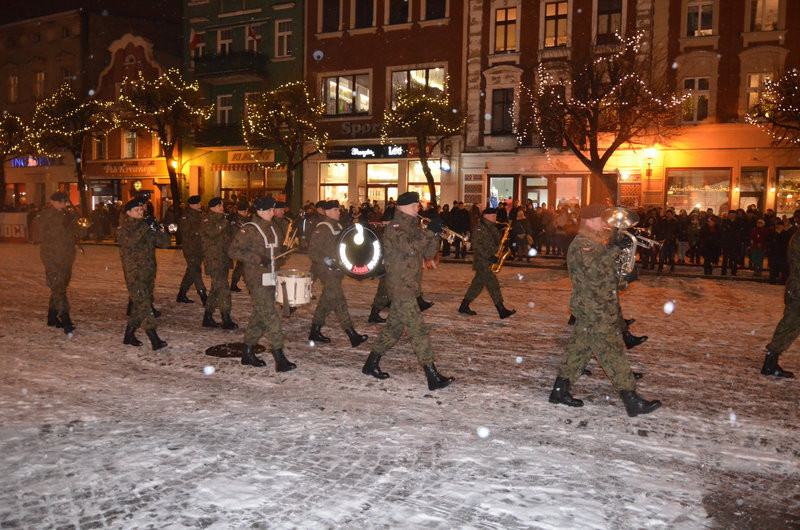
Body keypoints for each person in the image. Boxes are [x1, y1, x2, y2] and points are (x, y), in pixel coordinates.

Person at [548, 204, 661, 417]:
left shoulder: (594, 241)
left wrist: (625, 274)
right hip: (594, 308)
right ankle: (631, 400)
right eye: (601, 219)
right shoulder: (583, 244)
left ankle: (559, 391)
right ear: (590, 220)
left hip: (597, 305)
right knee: (612, 352)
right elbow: (595, 272)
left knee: (579, 349)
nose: (605, 223)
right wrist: (614, 248)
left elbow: (606, 273)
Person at [361, 191, 454, 390]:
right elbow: (410, 248)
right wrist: (428, 231)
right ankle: (432, 376)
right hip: (399, 284)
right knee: (417, 329)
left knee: (393, 328)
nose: (418, 208)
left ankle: (371, 364)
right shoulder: (395, 227)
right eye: (415, 205)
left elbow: (427, 253)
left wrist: (436, 235)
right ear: (403, 206)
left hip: (410, 283)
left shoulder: (413, 225)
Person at [227, 196, 296, 372]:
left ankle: (247, 353)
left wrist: (285, 252)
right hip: (256, 279)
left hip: (271, 277)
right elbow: (233, 251)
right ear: (261, 211)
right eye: (271, 210)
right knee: (271, 317)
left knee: (260, 316)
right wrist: (258, 259)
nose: (274, 212)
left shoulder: (273, 227)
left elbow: (276, 252)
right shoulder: (249, 229)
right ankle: (279, 357)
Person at [308, 200, 369, 347]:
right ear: (327, 211)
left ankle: (314, 332)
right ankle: (352, 334)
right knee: (339, 301)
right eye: (335, 210)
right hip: (326, 271)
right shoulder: (323, 227)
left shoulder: (339, 225)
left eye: (338, 209)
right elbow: (312, 251)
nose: (338, 212)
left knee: (326, 302)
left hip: (337, 271)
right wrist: (325, 260)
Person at [118, 198, 171, 350]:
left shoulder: (146, 226)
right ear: (128, 212)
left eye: (141, 210)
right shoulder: (123, 228)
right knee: (144, 306)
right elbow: (131, 242)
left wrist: (159, 229)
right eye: (137, 210)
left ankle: (129, 335)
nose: (140, 212)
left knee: (140, 305)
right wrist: (146, 227)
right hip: (134, 273)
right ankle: (154, 338)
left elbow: (165, 244)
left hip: (148, 272)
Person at [38, 191, 87, 335]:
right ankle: (65, 318)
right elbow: (47, 233)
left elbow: (79, 234)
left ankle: (52, 317)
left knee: (60, 286)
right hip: (52, 256)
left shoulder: (68, 214)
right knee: (58, 287)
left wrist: (82, 226)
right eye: (62, 202)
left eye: (66, 202)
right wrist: (64, 223)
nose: (65, 205)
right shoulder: (46, 215)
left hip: (66, 256)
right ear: (53, 202)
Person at [458, 207, 516, 319]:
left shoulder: (492, 227)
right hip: (483, 262)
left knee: (477, 285)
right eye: (494, 215)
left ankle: (464, 306)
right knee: (493, 285)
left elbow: (497, 242)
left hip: (490, 260)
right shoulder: (480, 228)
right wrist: (489, 257)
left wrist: (502, 248)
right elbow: (476, 246)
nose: (496, 217)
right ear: (486, 216)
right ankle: (501, 310)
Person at [761, 223, 800, 378]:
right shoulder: (798, 239)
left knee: (791, 325)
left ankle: (771, 361)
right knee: (790, 324)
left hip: (796, 287)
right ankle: (770, 362)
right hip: (798, 289)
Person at [200, 197, 238, 330]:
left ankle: (207, 317)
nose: (222, 207)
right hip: (214, 260)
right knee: (223, 289)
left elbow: (231, 238)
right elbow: (212, 232)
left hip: (224, 259)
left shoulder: (224, 220)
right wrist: (224, 223)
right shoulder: (206, 220)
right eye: (219, 205)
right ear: (213, 207)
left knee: (216, 290)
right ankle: (226, 318)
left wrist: (233, 224)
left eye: (222, 205)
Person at [176, 195, 207, 304]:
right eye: (197, 203)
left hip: (200, 248)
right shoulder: (186, 216)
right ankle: (203, 295)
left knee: (191, 272)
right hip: (191, 249)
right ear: (191, 205)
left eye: (199, 203)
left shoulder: (201, 214)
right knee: (196, 271)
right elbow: (186, 232)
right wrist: (200, 231)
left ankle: (181, 294)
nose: (200, 205)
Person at [229, 199, 251, 292]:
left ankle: (234, 284)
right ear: (242, 211)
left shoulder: (243, 219)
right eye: (246, 211)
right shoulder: (236, 221)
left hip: (243, 247)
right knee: (245, 267)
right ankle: (250, 287)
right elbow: (237, 235)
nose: (247, 213)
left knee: (241, 267)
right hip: (241, 247)